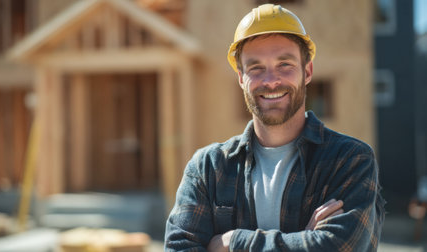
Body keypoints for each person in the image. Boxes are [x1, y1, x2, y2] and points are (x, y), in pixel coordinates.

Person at [165, 4, 385, 251]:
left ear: (307, 71)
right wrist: (304, 239)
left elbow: (339, 247)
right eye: (256, 68)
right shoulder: (207, 168)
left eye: (285, 64)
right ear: (241, 77)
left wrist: (229, 242)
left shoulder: (349, 160)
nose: (270, 81)